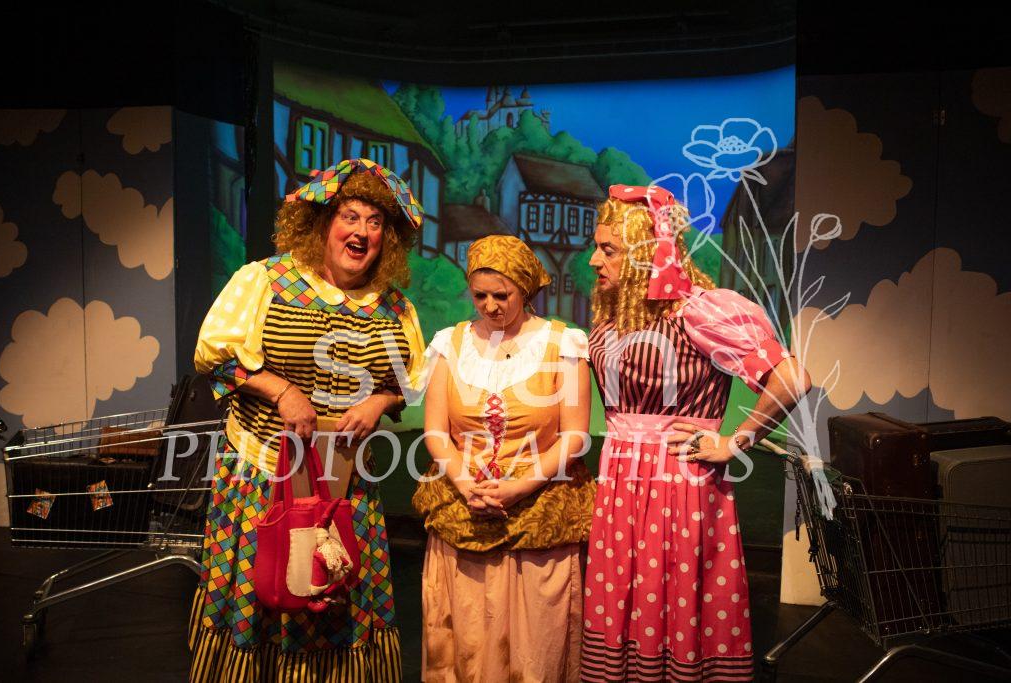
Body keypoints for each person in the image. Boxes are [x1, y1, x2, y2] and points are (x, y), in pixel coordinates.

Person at [190, 158, 426, 682]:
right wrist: (281, 391)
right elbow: (214, 356)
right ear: (323, 222)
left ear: (387, 238)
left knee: (334, 595)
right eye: (350, 216)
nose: (362, 232)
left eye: (375, 222)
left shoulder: (394, 308)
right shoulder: (266, 281)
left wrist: (379, 402)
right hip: (263, 474)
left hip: (345, 482)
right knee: (265, 589)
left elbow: (409, 382)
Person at [581, 184, 811, 681]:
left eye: (608, 249)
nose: (594, 260)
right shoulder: (616, 315)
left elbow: (792, 378)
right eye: (596, 247)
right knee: (625, 595)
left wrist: (735, 441)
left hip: (677, 483)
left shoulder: (699, 311)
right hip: (621, 480)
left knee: (675, 593)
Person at [412, 235, 596, 682]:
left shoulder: (563, 344)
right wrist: (464, 483)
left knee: (535, 648)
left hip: (539, 511)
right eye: (480, 296)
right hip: (465, 507)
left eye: (502, 295)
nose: (490, 306)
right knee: (467, 640)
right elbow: (436, 431)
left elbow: (575, 436)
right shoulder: (450, 343)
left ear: (525, 289)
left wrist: (519, 486)